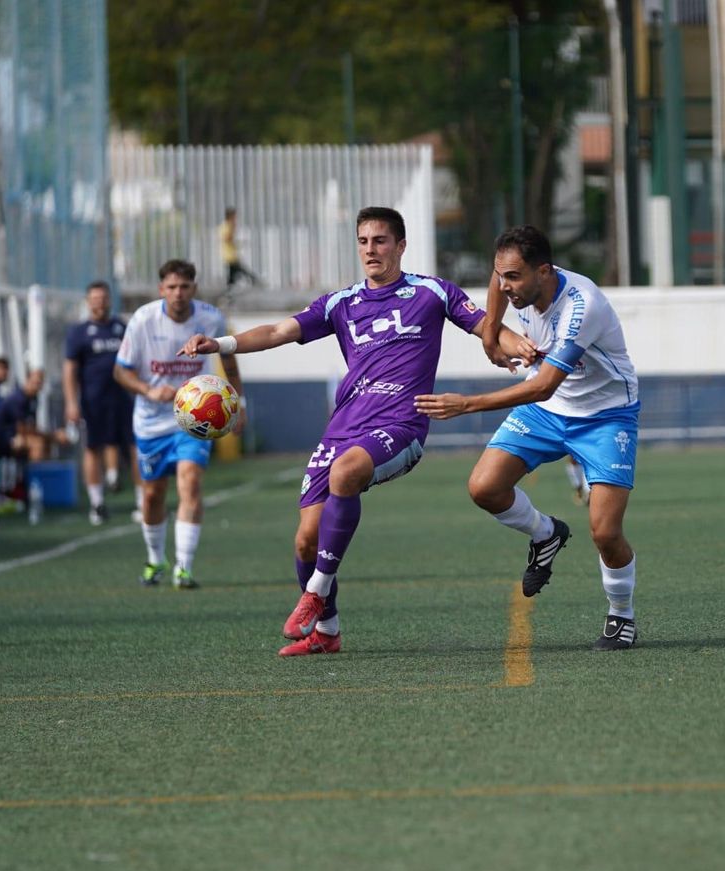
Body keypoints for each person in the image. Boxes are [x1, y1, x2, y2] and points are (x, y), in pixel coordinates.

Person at [179, 206, 521, 656]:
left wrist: (522, 347)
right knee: (307, 539)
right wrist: (221, 344)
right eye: (363, 241)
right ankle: (327, 631)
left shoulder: (432, 293)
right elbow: (279, 331)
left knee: (346, 473)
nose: (370, 250)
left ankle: (316, 592)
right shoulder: (341, 303)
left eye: (380, 240)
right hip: (343, 428)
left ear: (401, 245)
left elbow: (487, 326)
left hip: (401, 423)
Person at [416, 224, 642, 651]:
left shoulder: (581, 307)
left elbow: (542, 386)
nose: (505, 285)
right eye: (501, 274)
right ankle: (546, 533)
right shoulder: (516, 283)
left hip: (605, 417)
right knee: (484, 487)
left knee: (605, 532)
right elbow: (496, 283)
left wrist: (466, 404)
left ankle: (622, 615)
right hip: (547, 414)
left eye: (514, 277)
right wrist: (490, 335)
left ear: (544, 271)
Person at [115, 259, 241, 589]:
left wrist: (238, 403)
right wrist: (148, 390)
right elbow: (121, 370)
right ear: (161, 290)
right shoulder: (143, 320)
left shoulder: (211, 318)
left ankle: (184, 567)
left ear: (194, 288)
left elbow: (229, 360)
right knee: (153, 494)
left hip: (194, 420)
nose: (178, 293)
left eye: (185, 287)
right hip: (151, 421)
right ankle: (156, 559)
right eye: (171, 287)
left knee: (190, 482)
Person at [64, 280, 138, 524]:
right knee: (92, 448)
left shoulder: (122, 328)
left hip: (124, 399)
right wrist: (71, 402)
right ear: (88, 302)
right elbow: (69, 370)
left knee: (136, 448)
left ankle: (143, 502)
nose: (100, 304)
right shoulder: (79, 332)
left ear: (109, 300)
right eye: (95, 299)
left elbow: (136, 361)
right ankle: (97, 503)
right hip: (93, 401)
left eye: (103, 299)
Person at [219, 207, 258, 287]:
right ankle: (254, 280)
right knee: (239, 269)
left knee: (234, 272)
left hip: (230, 253)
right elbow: (226, 238)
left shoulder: (226, 225)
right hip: (229, 254)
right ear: (230, 216)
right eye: (234, 216)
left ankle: (230, 286)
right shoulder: (227, 226)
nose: (236, 218)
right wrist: (233, 231)